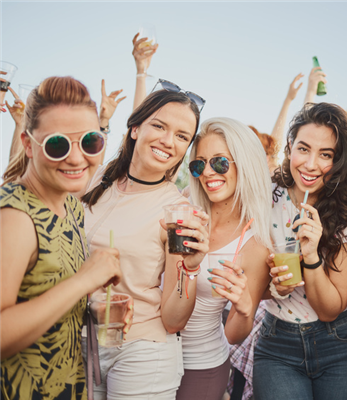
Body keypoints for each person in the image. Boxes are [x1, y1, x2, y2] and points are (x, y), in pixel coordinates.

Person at [81, 84, 209, 399]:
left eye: (182, 136)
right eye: (159, 126)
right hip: (83, 341)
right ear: (136, 128)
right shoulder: (97, 179)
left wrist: (189, 270)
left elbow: (173, 318)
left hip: (141, 349)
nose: (168, 141)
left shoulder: (178, 212)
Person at [0, 76, 124, 399]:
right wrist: (83, 281)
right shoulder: (15, 218)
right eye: (57, 144)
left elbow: (46, 294)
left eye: (90, 143)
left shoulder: (71, 204)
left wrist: (96, 306)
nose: (76, 158)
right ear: (28, 145)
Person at [253, 102, 347, 400]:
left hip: (340, 344)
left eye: (326, 155)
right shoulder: (264, 197)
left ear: (339, 160)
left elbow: (330, 309)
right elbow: (252, 283)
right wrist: (274, 287)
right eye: (303, 149)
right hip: (277, 343)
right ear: (290, 146)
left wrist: (312, 254)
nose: (310, 164)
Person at [175, 117, 271, 400]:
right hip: (150, 352)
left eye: (219, 162)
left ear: (245, 164)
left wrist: (243, 308)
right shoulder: (183, 212)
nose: (207, 172)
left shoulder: (255, 244)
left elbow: (233, 336)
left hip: (200, 365)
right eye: (198, 164)